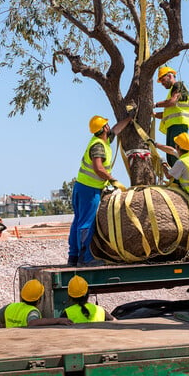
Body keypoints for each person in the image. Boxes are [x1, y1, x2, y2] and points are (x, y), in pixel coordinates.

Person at [68, 114, 133, 267]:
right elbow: (98, 168)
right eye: (106, 125)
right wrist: (112, 179)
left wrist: (129, 118)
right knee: (86, 223)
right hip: (89, 190)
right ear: (104, 128)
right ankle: (85, 259)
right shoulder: (98, 146)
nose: (109, 126)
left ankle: (73, 257)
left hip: (81, 187)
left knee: (78, 221)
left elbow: (116, 129)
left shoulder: (103, 140)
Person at [149, 132, 189, 239]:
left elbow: (168, 175)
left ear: (178, 147)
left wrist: (163, 163)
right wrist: (156, 145)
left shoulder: (181, 163)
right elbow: (171, 150)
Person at [0, 279, 73, 328]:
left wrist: (3, 331)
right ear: (39, 299)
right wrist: (58, 320)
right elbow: (33, 323)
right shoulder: (32, 311)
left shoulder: (10, 307)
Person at [153, 66, 189, 167]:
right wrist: (153, 114)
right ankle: (175, 179)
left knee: (176, 154)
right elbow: (166, 114)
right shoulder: (171, 92)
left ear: (170, 76)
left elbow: (172, 102)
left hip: (179, 125)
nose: (162, 83)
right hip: (173, 126)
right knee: (171, 156)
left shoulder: (178, 86)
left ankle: (179, 180)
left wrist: (155, 104)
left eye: (163, 80)